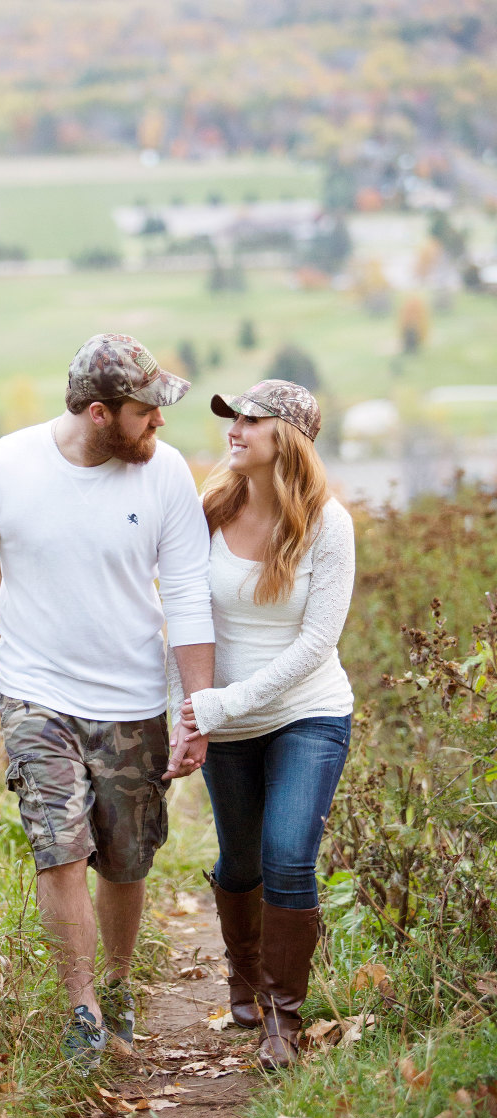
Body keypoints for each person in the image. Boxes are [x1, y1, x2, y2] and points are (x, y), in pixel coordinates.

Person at [0, 333, 214, 1071]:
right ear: (99, 413)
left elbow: (187, 593)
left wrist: (197, 708)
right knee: (58, 847)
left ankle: (119, 986)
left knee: (124, 860)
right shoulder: (1, 468)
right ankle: (82, 1007)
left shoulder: (167, 476)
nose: (159, 423)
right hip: (36, 693)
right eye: (146, 411)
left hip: (130, 699)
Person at [169, 379, 354, 1070]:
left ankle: (283, 1020)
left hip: (308, 712)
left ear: (290, 438)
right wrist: (186, 714)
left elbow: (316, 645)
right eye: (232, 418)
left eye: (252, 420)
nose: (235, 429)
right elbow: (183, 620)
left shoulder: (329, 524)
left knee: (286, 855)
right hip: (228, 723)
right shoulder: (207, 509)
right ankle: (243, 981)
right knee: (240, 861)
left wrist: (222, 701)